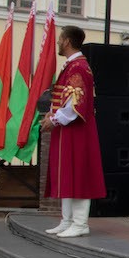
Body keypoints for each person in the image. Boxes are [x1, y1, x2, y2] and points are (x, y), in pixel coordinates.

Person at [42, 26, 106, 239]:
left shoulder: (78, 67)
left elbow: (74, 102)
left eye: (60, 39)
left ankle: (79, 223)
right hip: (68, 129)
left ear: (67, 41)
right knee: (67, 173)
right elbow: (62, 96)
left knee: (78, 173)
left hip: (76, 129)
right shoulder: (73, 66)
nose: (58, 43)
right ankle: (67, 220)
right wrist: (51, 114)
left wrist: (55, 119)